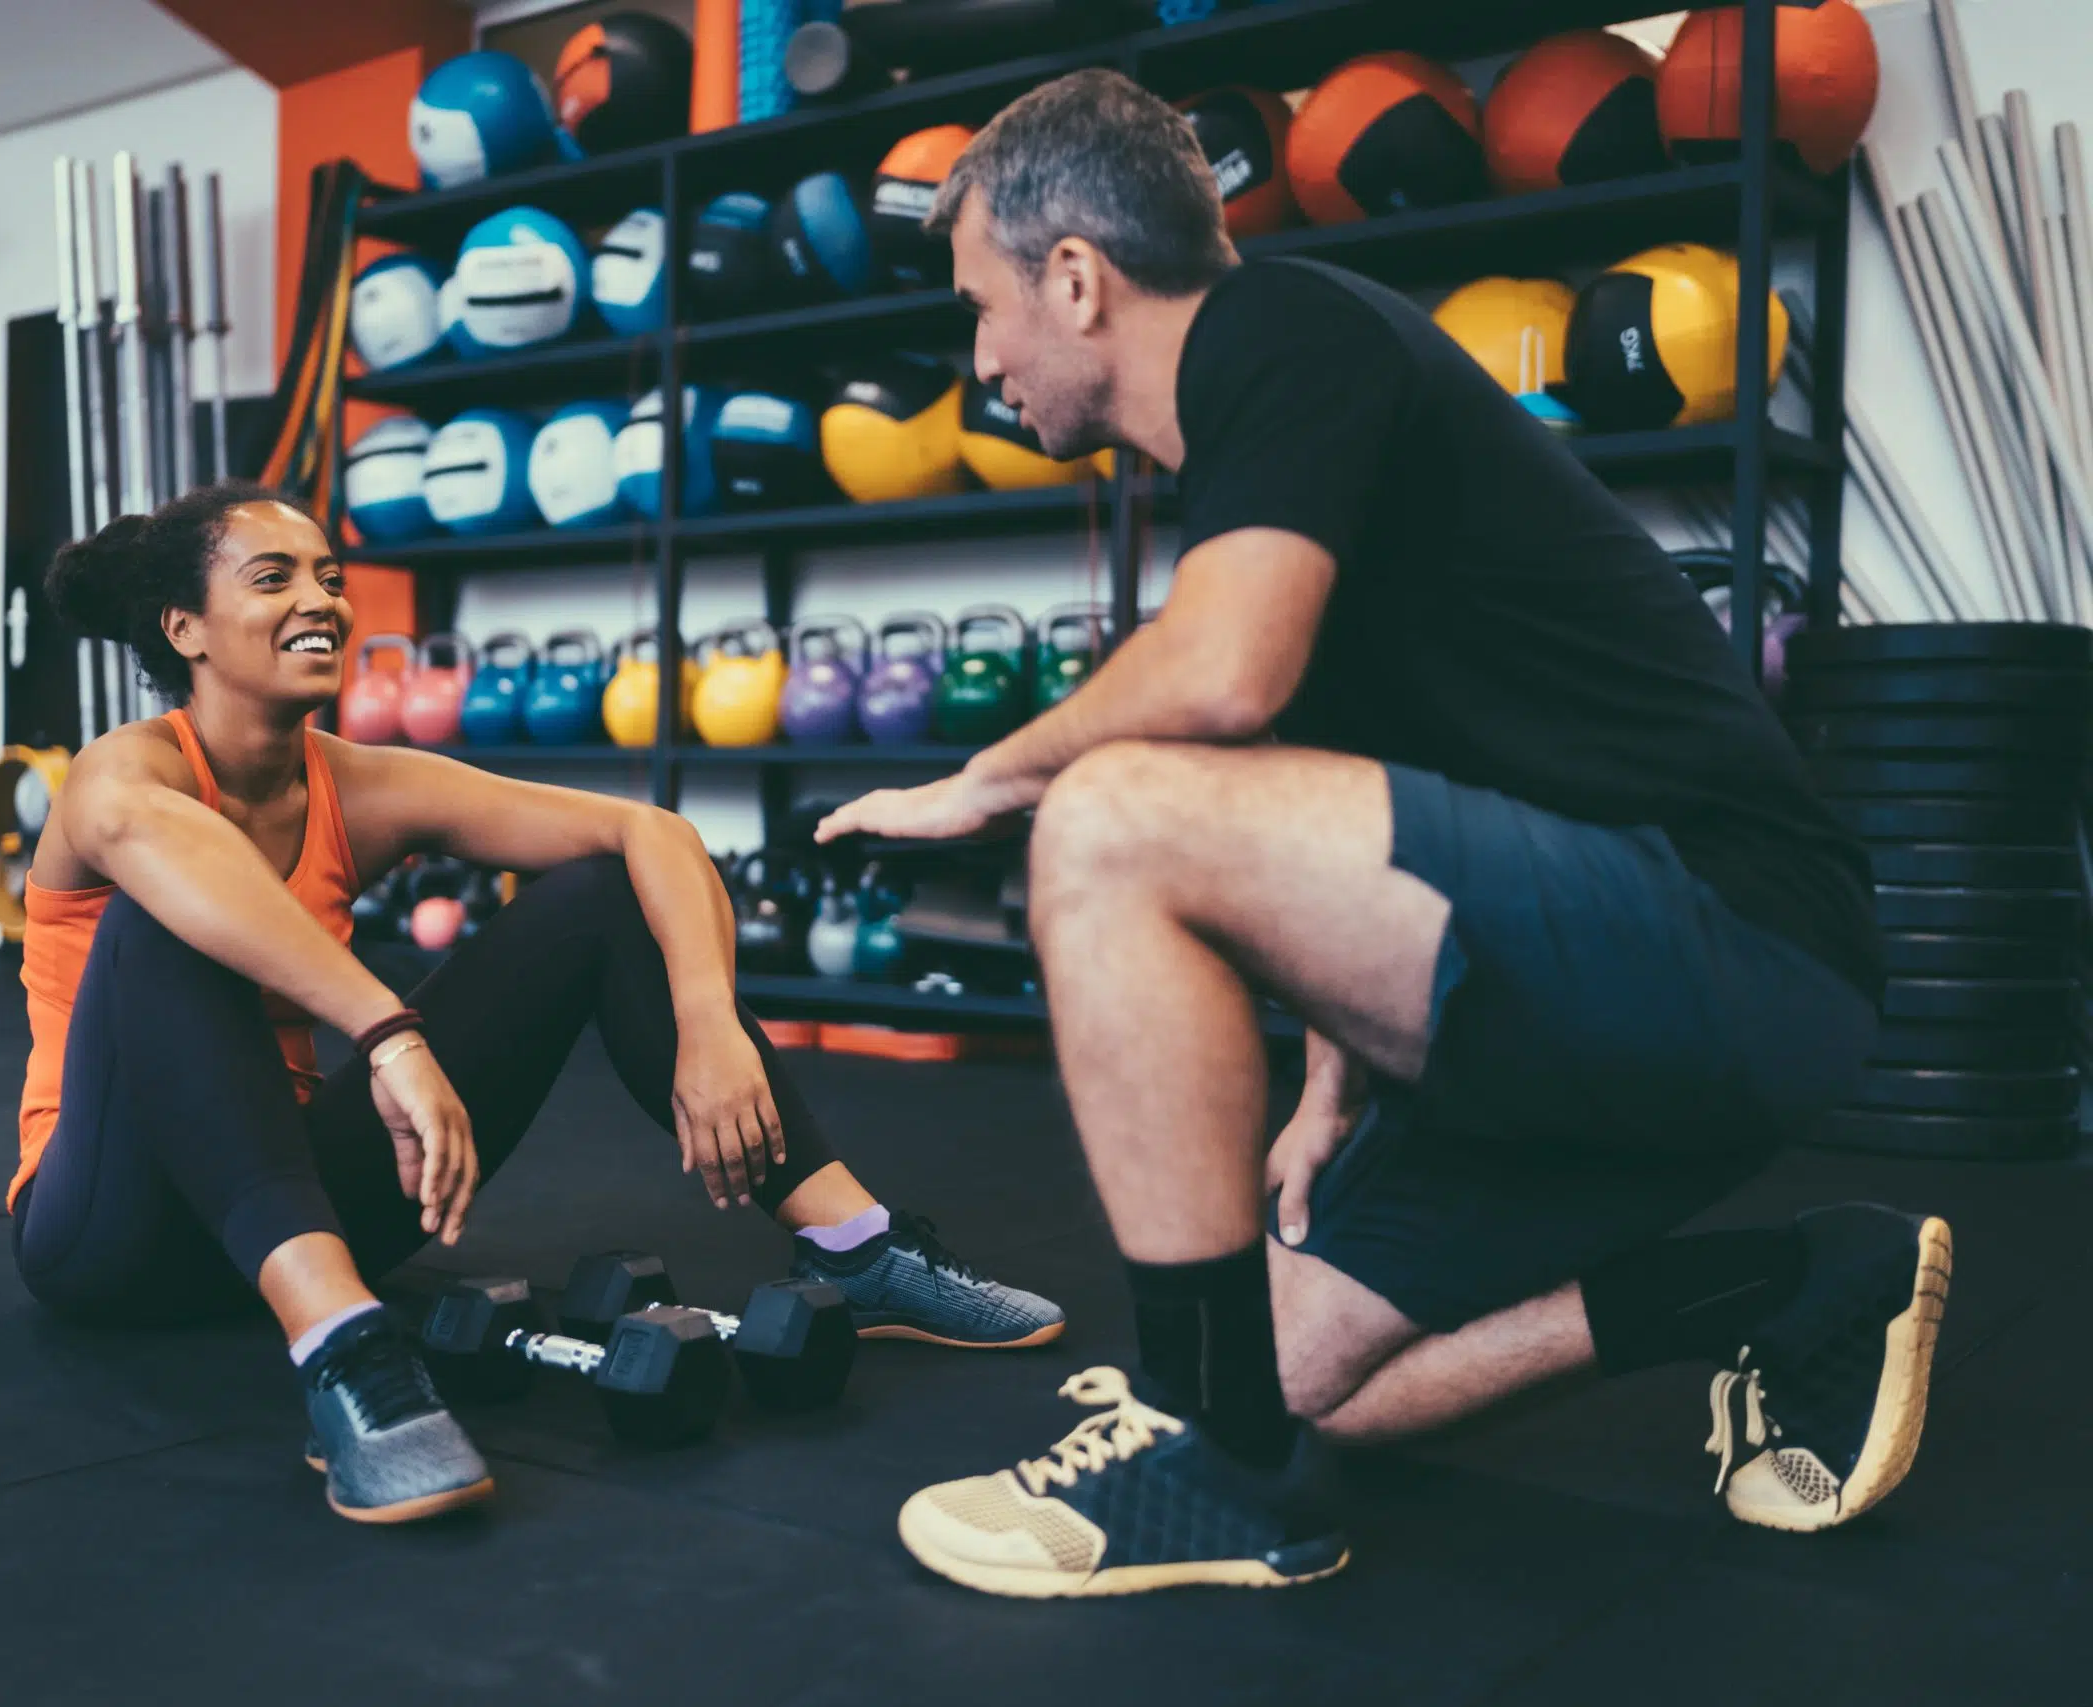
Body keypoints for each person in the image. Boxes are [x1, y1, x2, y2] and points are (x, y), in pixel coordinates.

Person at [816, 70, 1949, 1599]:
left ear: (1075, 277)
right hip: (1579, 982)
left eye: (981, 306)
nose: (981, 359)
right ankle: (1793, 1282)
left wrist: (988, 777)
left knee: (1106, 812)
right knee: (1297, 1377)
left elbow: (1221, 685)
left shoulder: (1285, 330)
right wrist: (1335, 1070)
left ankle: (1206, 1470)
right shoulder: (1273, 468)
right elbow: (1349, 797)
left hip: (1735, 933)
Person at [9, 483, 1064, 1526]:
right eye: (274, 578)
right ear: (182, 627)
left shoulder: (357, 783)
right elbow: (162, 847)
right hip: (111, 1231)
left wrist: (707, 1019)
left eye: (331, 578)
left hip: (305, 1202)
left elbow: (649, 834)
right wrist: (388, 1034)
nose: (321, 601)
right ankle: (349, 1356)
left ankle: (857, 1247)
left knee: (600, 892)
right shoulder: (120, 774)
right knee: (159, 916)